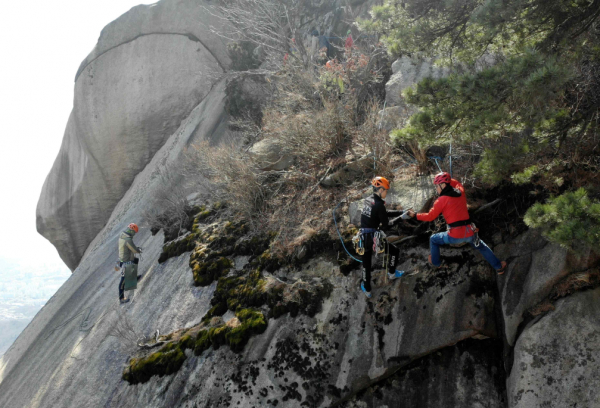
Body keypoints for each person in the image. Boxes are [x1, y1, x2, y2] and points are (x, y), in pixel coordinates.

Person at [407, 172, 507, 274]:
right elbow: (457, 183)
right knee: (481, 246)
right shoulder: (461, 192)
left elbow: (430, 217)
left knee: (433, 239)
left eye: (437, 186)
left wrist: (415, 215)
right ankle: (499, 267)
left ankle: (436, 263)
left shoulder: (440, 201)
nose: (436, 188)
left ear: (443, 185)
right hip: (470, 232)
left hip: (455, 236)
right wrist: (448, 179)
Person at [359, 176, 409, 298]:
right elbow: (387, 225)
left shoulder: (368, 200)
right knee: (394, 251)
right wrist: (401, 218)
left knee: (366, 264)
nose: (387, 192)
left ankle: (367, 290)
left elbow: (382, 214)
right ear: (380, 189)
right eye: (386, 190)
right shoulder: (379, 204)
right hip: (373, 238)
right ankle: (392, 273)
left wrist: (400, 212)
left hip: (363, 237)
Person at [117, 223, 142, 304]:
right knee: (123, 281)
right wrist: (139, 250)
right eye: (134, 232)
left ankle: (133, 279)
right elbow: (134, 250)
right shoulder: (128, 239)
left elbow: (129, 247)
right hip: (125, 261)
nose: (134, 234)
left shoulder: (122, 235)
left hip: (124, 258)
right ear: (131, 231)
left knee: (135, 260)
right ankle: (121, 298)